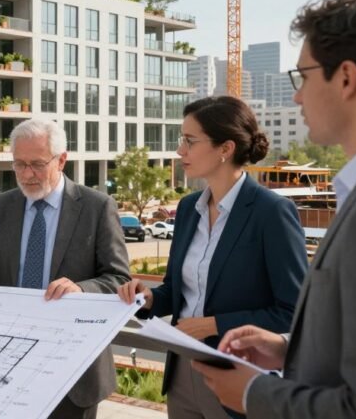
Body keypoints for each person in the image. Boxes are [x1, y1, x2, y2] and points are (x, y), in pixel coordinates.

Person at [194, 0, 356, 418]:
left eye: (304, 77)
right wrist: (290, 350)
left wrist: (254, 394)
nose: (297, 97)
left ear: (346, 77)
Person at [117, 96, 308, 419]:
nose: (180, 151)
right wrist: (150, 298)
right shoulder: (188, 209)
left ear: (225, 148)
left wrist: (214, 325)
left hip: (238, 376)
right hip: (182, 373)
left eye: (190, 141)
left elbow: (294, 313)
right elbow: (176, 289)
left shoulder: (272, 212)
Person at [0, 117, 131, 419]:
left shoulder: (97, 207)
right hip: (8, 362)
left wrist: (81, 289)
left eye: (37, 164)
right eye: (19, 164)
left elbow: (119, 278)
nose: (27, 174)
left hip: (73, 367)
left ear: (62, 160)